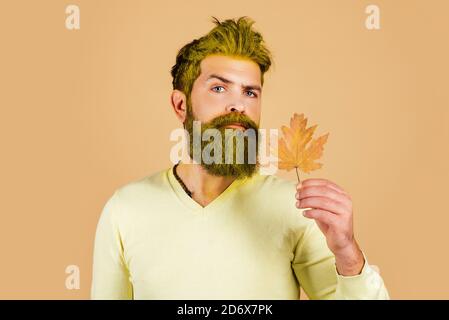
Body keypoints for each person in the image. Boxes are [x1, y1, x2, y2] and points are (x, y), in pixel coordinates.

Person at [91, 16, 390, 300]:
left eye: (250, 93)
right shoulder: (125, 211)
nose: (238, 105)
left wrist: (348, 253)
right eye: (219, 88)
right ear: (181, 105)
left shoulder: (296, 208)